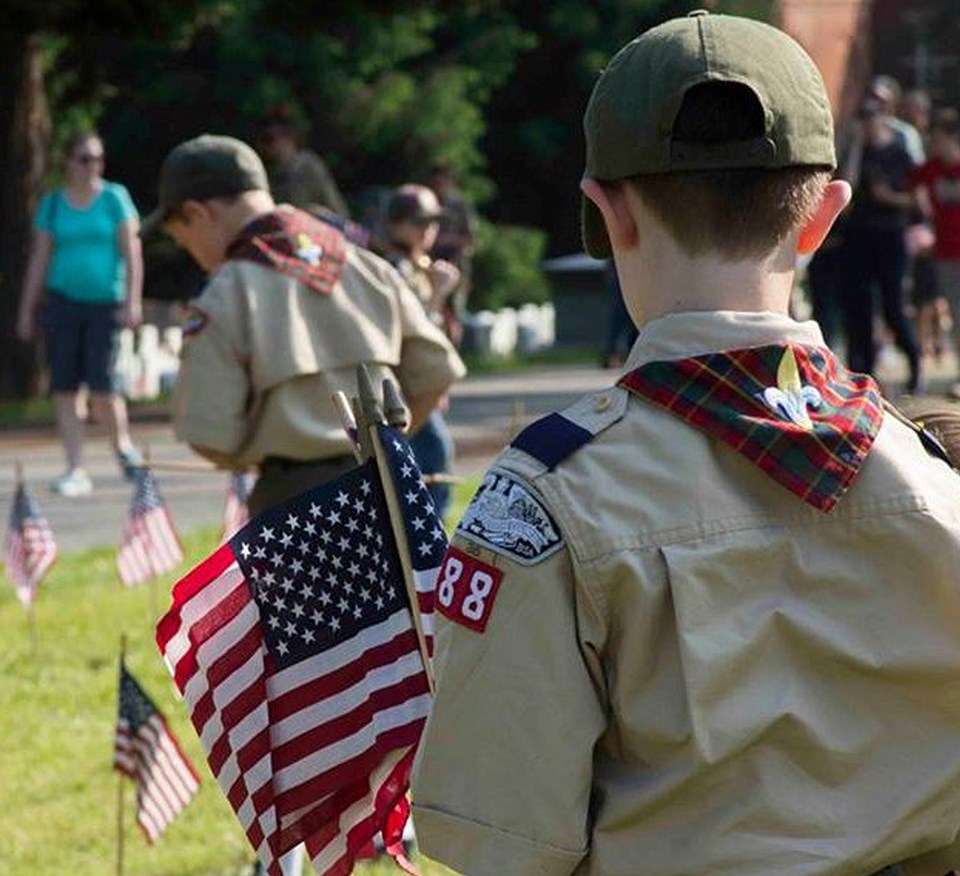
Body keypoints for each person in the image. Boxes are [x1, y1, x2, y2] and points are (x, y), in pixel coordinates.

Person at [411, 12, 960, 876]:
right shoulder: (936, 477)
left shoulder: (550, 496)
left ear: (605, 213)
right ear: (823, 216)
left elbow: (500, 838)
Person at [143, 135, 465, 526]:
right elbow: (436, 371)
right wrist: (384, 444)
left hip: (295, 506)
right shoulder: (366, 264)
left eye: (182, 237)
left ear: (198, 213)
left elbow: (211, 436)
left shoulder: (227, 292)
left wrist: (262, 445)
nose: (189, 250)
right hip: (390, 491)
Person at [15, 130, 144, 496]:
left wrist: (132, 301)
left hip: (106, 303)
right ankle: (75, 468)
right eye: (85, 159)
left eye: (98, 159)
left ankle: (123, 447)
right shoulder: (53, 205)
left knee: (103, 386)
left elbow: (131, 252)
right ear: (69, 162)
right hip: (63, 302)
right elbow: (40, 258)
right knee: (66, 388)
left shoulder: (115, 199)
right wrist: (26, 310)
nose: (93, 166)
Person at [384, 183, 461, 520]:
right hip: (407, 389)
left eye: (432, 222)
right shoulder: (393, 268)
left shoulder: (418, 264)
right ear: (396, 225)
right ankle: (431, 542)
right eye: (419, 222)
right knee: (434, 461)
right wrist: (438, 295)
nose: (429, 229)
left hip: (423, 388)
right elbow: (411, 332)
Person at [841, 98, 923, 393]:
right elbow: (846, 192)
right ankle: (864, 375)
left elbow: (918, 202)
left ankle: (915, 362)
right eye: (863, 115)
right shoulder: (856, 152)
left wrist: (888, 197)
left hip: (891, 236)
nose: (868, 120)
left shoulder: (899, 154)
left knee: (893, 307)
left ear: (885, 115)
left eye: (873, 115)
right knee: (859, 308)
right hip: (859, 238)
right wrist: (857, 147)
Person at [912, 108, 960, 397]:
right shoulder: (931, 168)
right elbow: (910, 183)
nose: (936, 146)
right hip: (944, 254)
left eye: (940, 140)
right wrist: (923, 210)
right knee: (954, 312)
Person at [257, 106, 351, 220]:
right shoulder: (274, 174)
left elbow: (334, 207)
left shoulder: (309, 165)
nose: (267, 147)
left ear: (288, 136)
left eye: (269, 139)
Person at [428, 163, 478, 317]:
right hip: (430, 267)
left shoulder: (461, 206)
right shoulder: (428, 204)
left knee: (454, 314)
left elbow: (470, 240)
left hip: (456, 266)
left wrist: (446, 242)